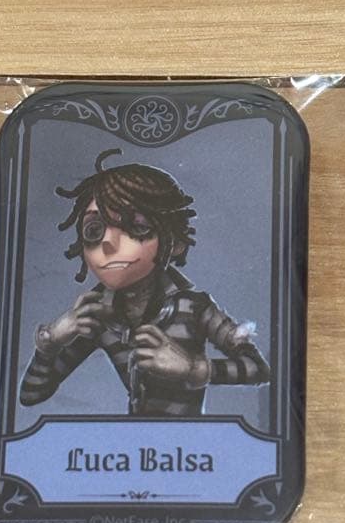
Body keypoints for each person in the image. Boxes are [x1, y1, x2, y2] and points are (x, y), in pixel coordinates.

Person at [20, 149, 270, 417]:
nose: (108, 243)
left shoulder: (194, 308)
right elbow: (32, 394)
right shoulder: (97, 316)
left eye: (135, 226)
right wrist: (50, 340)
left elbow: (259, 369)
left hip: (191, 439)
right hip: (133, 440)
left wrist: (192, 368)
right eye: (93, 231)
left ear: (174, 242)